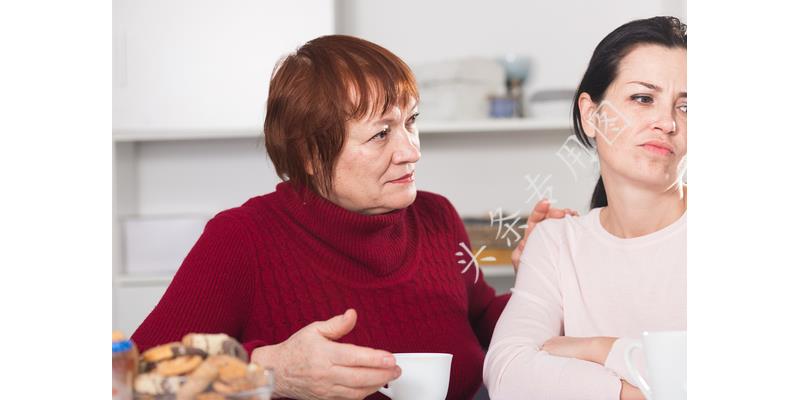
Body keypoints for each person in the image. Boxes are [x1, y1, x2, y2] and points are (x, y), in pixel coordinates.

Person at [131, 35, 566, 400]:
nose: (411, 151)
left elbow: (486, 320)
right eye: (381, 133)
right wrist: (270, 371)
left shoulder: (437, 216)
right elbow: (137, 374)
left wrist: (542, 280)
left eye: (411, 121)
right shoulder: (241, 239)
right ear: (308, 153)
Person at [484, 16, 687, 400]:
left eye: (686, 106)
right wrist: (639, 392)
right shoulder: (555, 242)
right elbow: (507, 375)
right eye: (643, 99)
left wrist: (600, 349)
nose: (667, 122)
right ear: (591, 115)